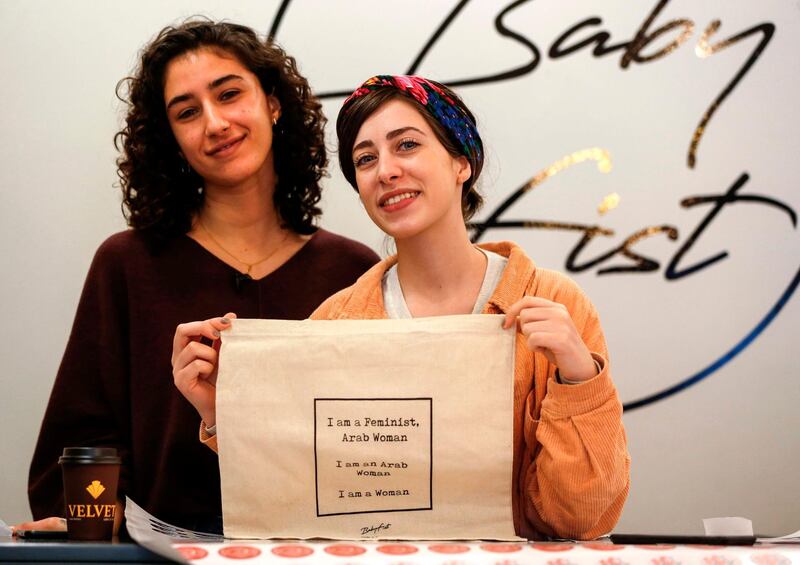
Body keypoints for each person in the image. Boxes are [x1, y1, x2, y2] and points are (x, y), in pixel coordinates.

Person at [174, 75, 630, 540]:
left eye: (407, 145)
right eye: (365, 159)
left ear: (461, 162)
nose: (386, 171)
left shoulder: (557, 306)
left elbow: (579, 520)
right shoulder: (335, 322)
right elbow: (299, 507)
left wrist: (577, 378)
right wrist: (221, 413)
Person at [24, 20, 378, 534]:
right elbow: (76, 450)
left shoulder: (354, 272)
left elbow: (385, 448)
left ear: (273, 104)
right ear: (171, 139)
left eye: (229, 94)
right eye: (187, 112)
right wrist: (93, 522)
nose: (215, 123)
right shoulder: (126, 264)